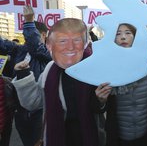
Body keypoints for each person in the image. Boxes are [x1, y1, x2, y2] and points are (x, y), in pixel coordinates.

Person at [12, 18, 106, 146]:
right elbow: (34, 102)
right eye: (62, 41)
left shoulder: (94, 68)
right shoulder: (50, 69)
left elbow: (102, 107)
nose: (70, 46)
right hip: (57, 135)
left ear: (84, 43)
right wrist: (23, 75)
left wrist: (101, 100)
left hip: (88, 134)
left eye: (76, 40)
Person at [96, 23, 147, 146]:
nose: (123, 37)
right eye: (118, 34)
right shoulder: (106, 67)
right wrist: (100, 100)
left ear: (136, 37)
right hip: (119, 137)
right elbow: (96, 106)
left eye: (128, 33)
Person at [0, 5, 51, 146]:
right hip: (20, 111)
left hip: (39, 111)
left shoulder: (48, 54)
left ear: (43, 35)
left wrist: (28, 22)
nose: (27, 39)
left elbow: (35, 45)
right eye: (25, 35)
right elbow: (3, 44)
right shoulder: (19, 50)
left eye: (32, 34)